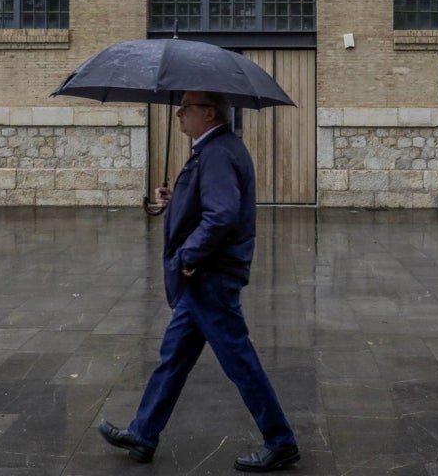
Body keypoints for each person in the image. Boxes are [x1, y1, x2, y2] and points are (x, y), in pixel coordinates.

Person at [99, 90, 299, 472]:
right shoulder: (215, 149)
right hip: (203, 280)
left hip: (210, 277)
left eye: (185, 108)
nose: (179, 115)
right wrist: (176, 198)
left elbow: (222, 215)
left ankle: (280, 440)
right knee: (173, 357)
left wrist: (190, 256)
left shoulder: (218, 152)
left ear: (208, 113)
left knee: (239, 360)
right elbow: (212, 205)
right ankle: (143, 434)